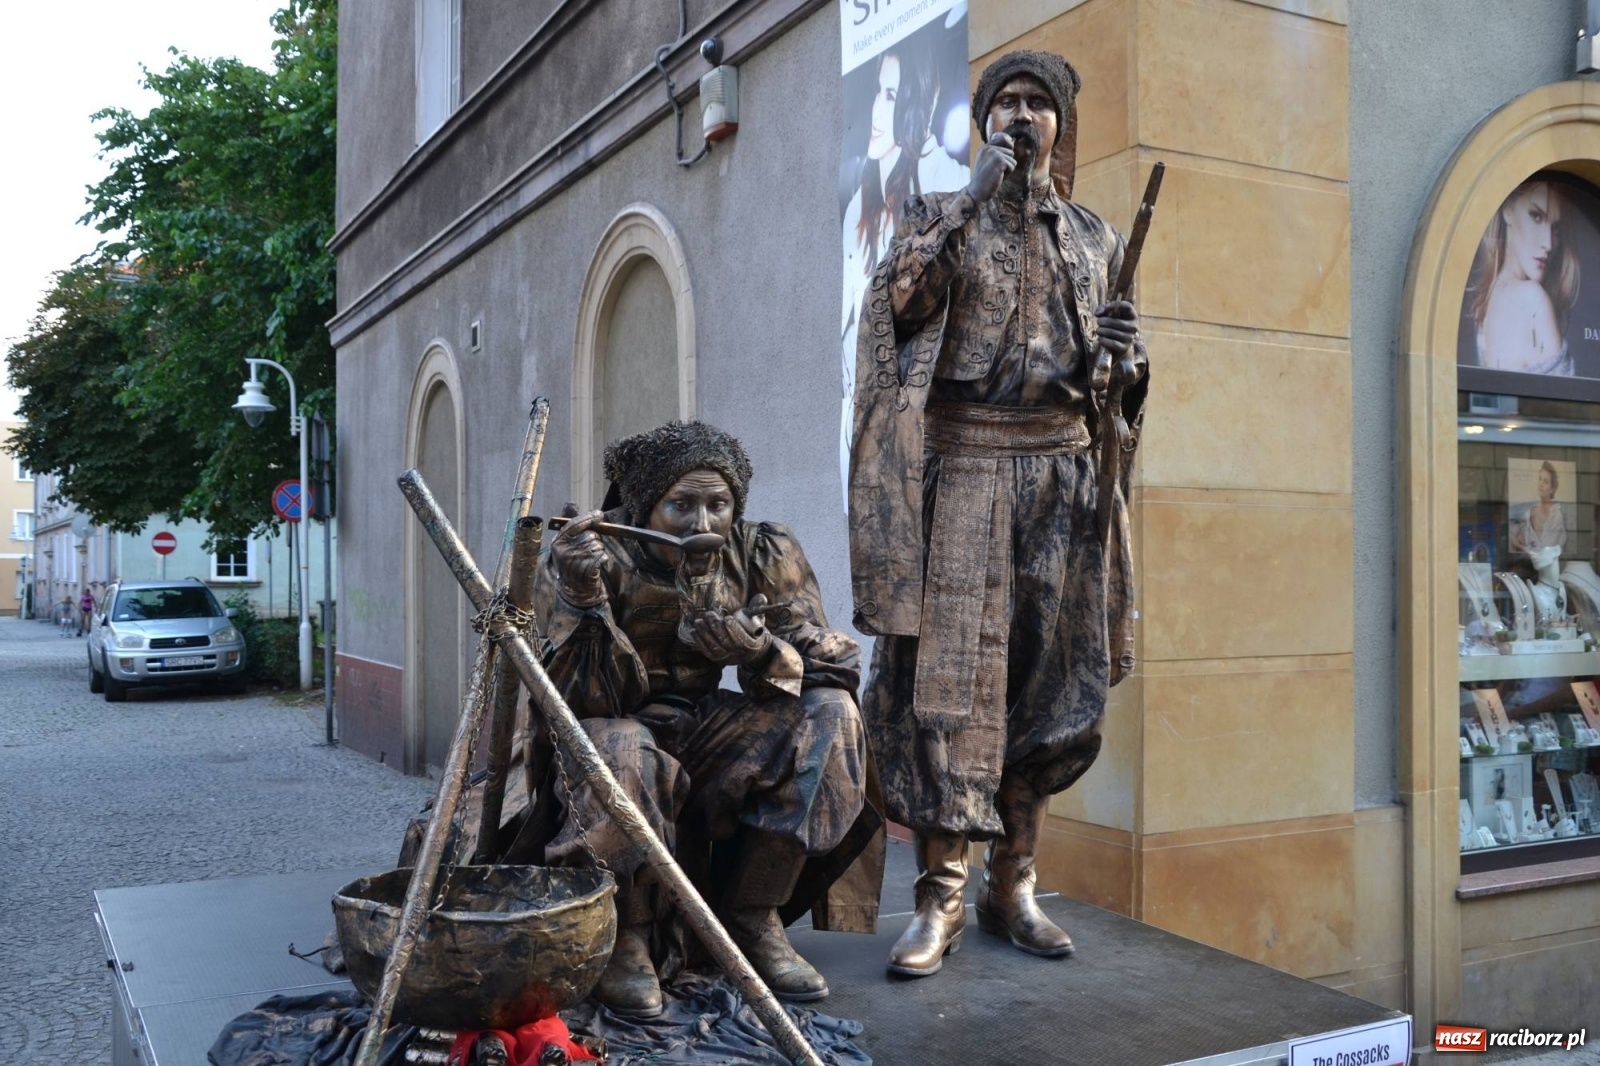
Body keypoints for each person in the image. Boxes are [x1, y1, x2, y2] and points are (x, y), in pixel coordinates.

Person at [848, 50, 1148, 977]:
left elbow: (1114, 392)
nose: (1022, 117)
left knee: (1047, 694)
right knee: (950, 694)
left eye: (1038, 104)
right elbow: (901, 307)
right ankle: (939, 895)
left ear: (1061, 125)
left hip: (1061, 486)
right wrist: (978, 191)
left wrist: (1126, 371)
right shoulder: (940, 215)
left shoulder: (1094, 238)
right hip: (964, 476)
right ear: (985, 121)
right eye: (1006, 103)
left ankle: (1012, 884)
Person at [535, 421, 876, 1016]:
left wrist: (760, 653)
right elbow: (568, 701)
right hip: (611, 731)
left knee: (830, 715)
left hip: (706, 730)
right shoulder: (591, 560)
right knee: (620, 747)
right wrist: (581, 597)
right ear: (643, 507)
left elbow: (833, 661)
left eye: (718, 505)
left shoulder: (762, 551)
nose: (702, 524)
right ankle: (628, 935)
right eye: (681, 505)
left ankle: (752, 915)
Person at [840, 39, 970, 499]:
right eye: (877, 91)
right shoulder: (861, 202)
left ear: (921, 102)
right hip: (867, 414)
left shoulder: (951, 185)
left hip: (923, 425)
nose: (877, 111)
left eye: (892, 96)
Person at [1471, 180, 1580, 376]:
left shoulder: (1486, 303)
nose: (1548, 243)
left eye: (1555, 229)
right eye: (1536, 216)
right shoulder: (1532, 299)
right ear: (1508, 211)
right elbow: (1562, 406)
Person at [1511, 459, 1567, 557]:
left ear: (1552, 489)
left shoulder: (1556, 517)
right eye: (1539, 479)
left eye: (1545, 481)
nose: (1540, 484)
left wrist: (1520, 546)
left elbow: (1544, 555)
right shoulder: (1529, 513)